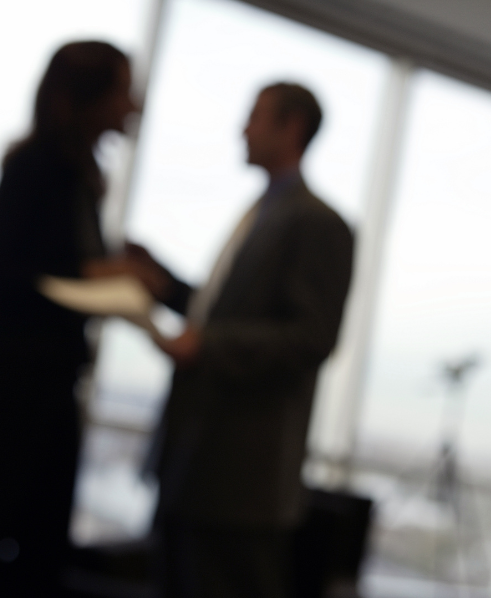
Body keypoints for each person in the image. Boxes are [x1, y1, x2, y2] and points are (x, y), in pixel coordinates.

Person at [0, 41, 144, 598]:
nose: (133, 104)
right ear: (89, 97)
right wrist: (93, 278)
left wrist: (98, 276)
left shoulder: (80, 176)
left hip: (45, 384)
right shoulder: (37, 165)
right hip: (12, 384)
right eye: (123, 89)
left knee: (37, 548)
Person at [130, 83, 355, 597]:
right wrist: (161, 284)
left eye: (255, 117)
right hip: (195, 465)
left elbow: (311, 337)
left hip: (240, 483)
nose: (243, 129)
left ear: (291, 127)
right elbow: (224, 314)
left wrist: (206, 345)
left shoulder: (318, 223)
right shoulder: (265, 212)